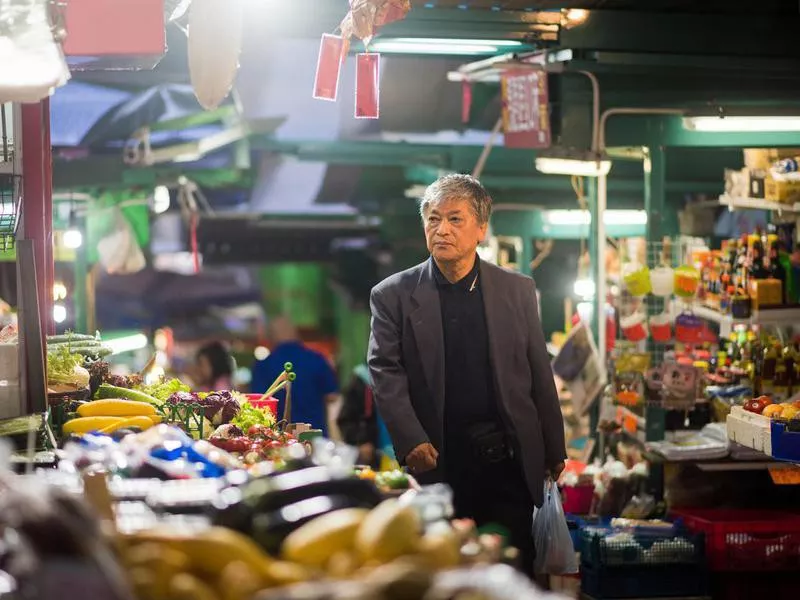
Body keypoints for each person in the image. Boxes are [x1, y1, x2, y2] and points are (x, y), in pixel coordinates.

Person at [367, 173, 566, 576]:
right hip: (438, 458)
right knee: (445, 569)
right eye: (433, 218)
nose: (442, 229)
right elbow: (385, 371)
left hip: (508, 457)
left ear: (480, 229)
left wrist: (553, 445)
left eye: (455, 219)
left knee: (514, 565)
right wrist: (410, 440)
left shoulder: (517, 290)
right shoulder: (393, 295)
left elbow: (537, 370)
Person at [251, 316, 339, 435]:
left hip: (279, 438)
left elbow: (260, 402)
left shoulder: (263, 366)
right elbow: (332, 396)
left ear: (272, 336)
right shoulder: (317, 359)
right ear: (295, 334)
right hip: (315, 434)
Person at [337, 363, 397, 469]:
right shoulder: (362, 379)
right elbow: (346, 418)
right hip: (374, 457)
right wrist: (361, 441)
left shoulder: (405, 377)